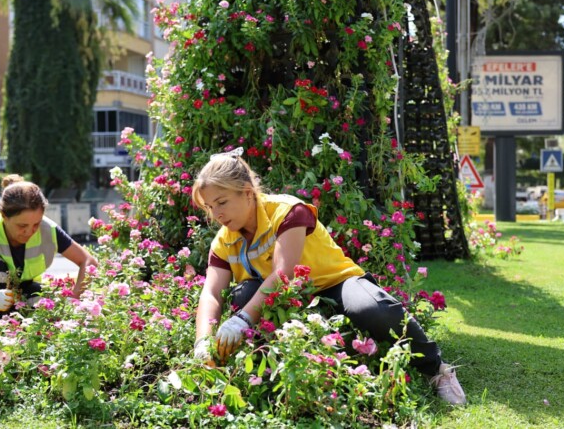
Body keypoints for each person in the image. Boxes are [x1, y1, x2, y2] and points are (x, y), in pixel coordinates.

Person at [189, 148, 467, 405]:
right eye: (210, 207)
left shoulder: (288, 211)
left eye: (222, 202)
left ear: (247, 192)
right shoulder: (224, 241)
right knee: (243, 295)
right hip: (290, 302)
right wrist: (203, 342)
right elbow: (212, 293)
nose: (217, 214)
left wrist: (242, 320)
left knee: (373, 309)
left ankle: (436, 369)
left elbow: (283, 274)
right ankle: (271, 378)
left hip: (335, 284)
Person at [0, 174, 98, 334]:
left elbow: (88, 261)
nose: (29, 231)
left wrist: (74, 298)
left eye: (36, 224)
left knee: (48, 307)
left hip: (19, 287)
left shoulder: (48, 230)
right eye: (22, 225)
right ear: (4, 216)